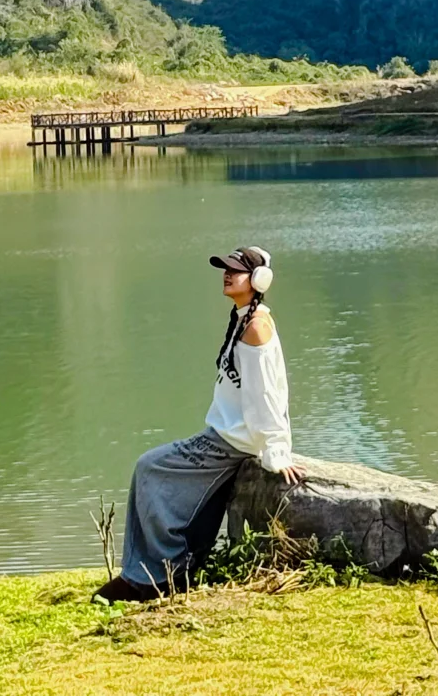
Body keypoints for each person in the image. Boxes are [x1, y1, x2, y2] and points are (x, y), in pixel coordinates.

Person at [95, 244, 303, 602]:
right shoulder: (242, 318)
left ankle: (155, 577)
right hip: (220, 434)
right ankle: (147, 572)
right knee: (150, 469)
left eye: (235, 270)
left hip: (232, 442)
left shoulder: (256, 327)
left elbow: (267, 393)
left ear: (258, 279)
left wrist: (276, 450)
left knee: (149, 468)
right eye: (225, 268)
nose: (226, 274)